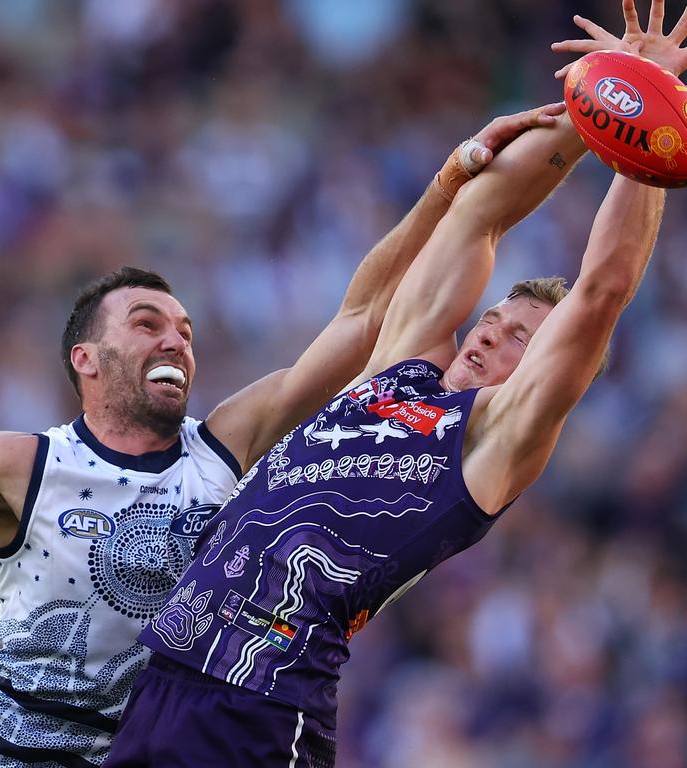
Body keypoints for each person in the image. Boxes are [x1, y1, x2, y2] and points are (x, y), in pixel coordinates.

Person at [0, 106, 559, 768]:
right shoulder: (25, 466)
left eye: (186, 327)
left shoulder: (226, 447)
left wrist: (447, 187)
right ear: (86, 359)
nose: (176, 337)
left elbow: (363, 315)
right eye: (147, 323)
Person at [104, 5, 684, 767]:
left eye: (520, 339)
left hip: (260, 704)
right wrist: (598, 104)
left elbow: (602, 290)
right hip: (169, 672)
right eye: (496, 316)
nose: (488, 331)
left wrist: (649, 114)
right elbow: (477, 214)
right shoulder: (403, 365)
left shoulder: (496, 436)